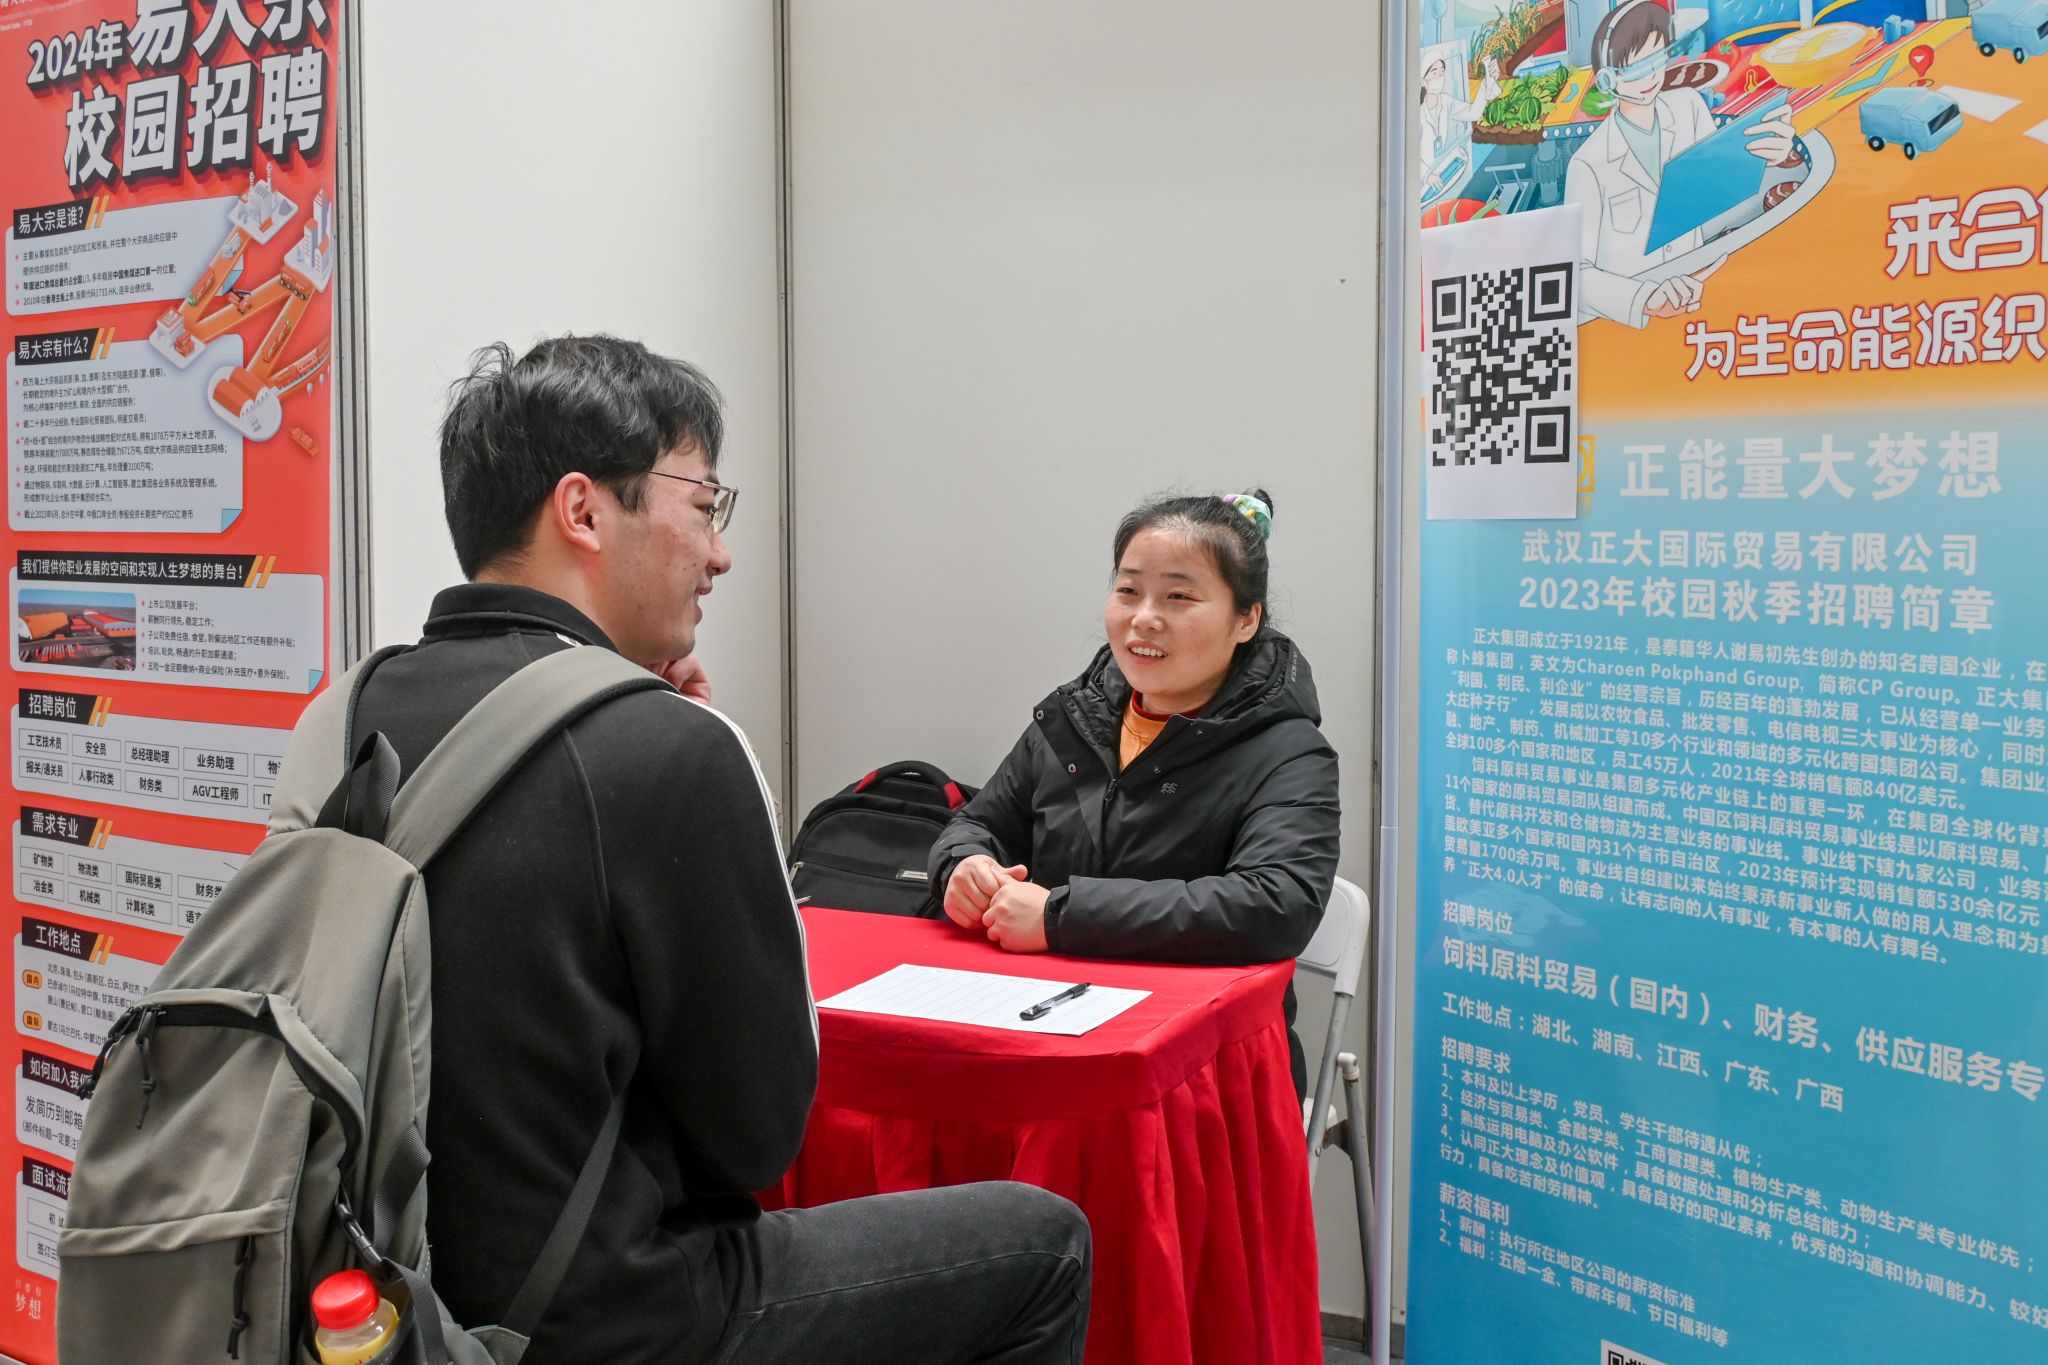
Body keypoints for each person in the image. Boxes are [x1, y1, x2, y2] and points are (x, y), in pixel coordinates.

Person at [356, 335, 1090, 1364]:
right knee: (1046, 1243)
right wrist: (703, 751)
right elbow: (755, 1137)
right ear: (583, 511)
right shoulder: (666, 746)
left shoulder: (350, 713)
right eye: (703, 505)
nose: (720, 553)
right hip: (606, 1319)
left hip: (377, 1295)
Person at [929, 490, 1341, 1095]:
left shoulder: (1288, 751)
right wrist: (964, 867)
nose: (1144, 618)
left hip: (1201, 1069)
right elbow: (978, 822)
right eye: (1128, 591)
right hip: (1042, 1026)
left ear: (1246, 620)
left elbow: (1276, 905)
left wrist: (1058, 917)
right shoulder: (1077, 719)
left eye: (1179, 597)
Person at [1564, 0, 1794, 328]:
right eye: (1634, 69)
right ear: (1606, 80)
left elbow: (1717, 196)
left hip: (1697, 295)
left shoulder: (1689, 107)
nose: (1650, 76)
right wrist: (1643, 298)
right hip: (1627, 325)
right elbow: (1576, 276)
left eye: (1657, 60)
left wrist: (1768, 157)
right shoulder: (1587, 163)